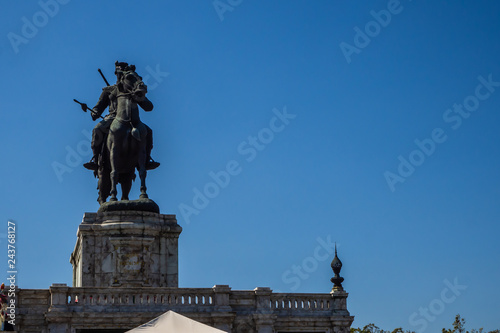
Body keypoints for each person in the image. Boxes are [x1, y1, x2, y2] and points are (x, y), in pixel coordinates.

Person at [83, 62, 160, 171]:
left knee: (149, 132)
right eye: (118, 74)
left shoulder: (133, 89)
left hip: (133, 121)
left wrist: (140, 97)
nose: (120, 76)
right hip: (112, 118)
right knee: (97, 130)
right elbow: (98, 107)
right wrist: (94, 112)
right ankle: (95, 160)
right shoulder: (108, 90)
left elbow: (148, 107)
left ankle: (146, 160)